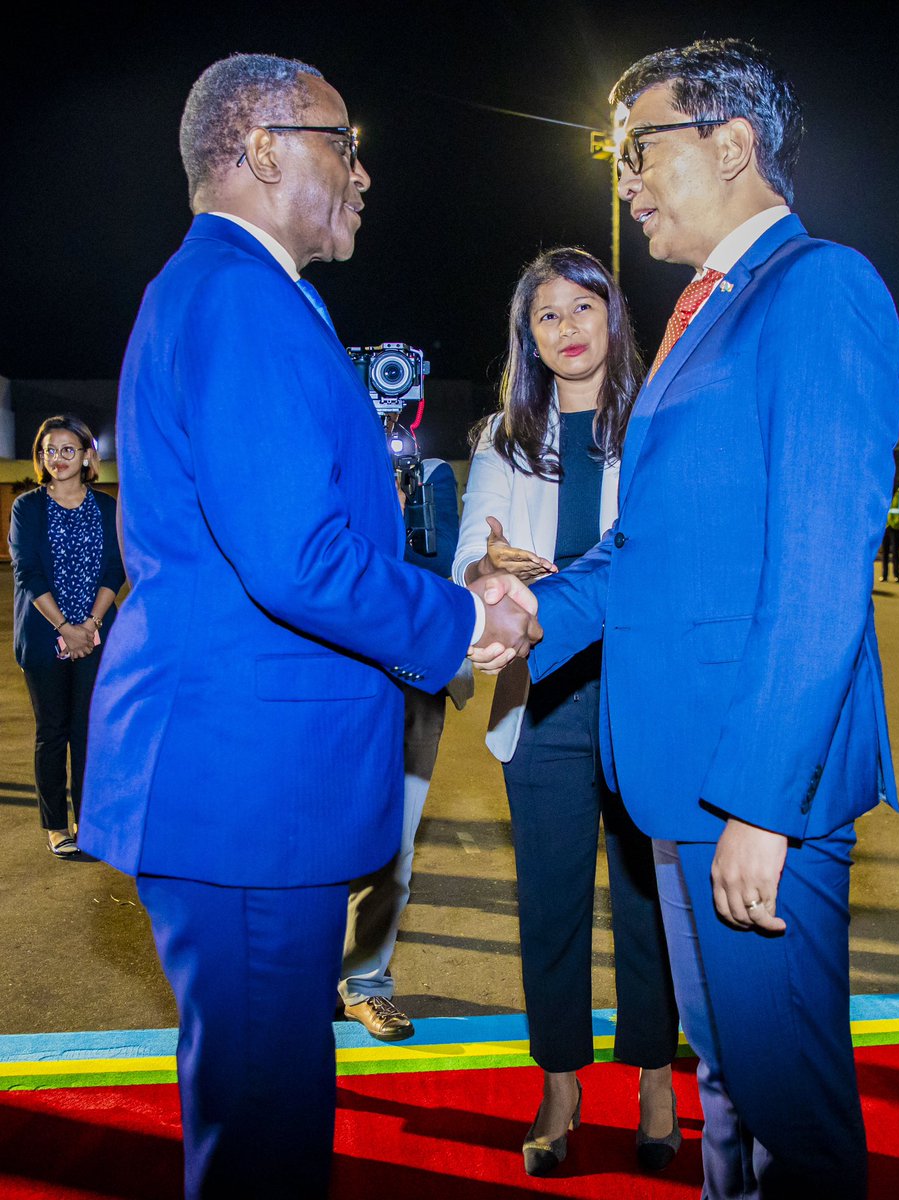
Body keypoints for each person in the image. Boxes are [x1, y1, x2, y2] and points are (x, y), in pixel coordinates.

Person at [79, 52, 538, 1200]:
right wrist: (456, 618)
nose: (365, 173)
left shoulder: (240, 291)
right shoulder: (240, 294)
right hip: (244, 792)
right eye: (345, 142)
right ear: (265, 147)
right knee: (265, 1137)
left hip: (245, 783)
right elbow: (296, 557)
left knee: (259, 1106)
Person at [527, 40, 899, 1200]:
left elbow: (820, 571)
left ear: (730, 146)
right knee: (731, 1083)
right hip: (684, 782)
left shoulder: (817, 288)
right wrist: (505, 613)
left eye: (638, 149)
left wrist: (759, 801)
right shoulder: (704, 312)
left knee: (794, 1116)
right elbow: (653, 554)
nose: (625, 178)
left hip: (747, 791)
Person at [453, 247, 680, 1176]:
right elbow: (473, 546)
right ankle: (559, 1080)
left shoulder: (661, 422)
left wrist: (573, 585)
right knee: (549, 901)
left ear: (613, 316)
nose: (568, 327)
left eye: (584, 306)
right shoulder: (503, 439)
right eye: (547, 316)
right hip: (541, 696)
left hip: (641, 691)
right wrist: (486, 568)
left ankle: (658, 1076)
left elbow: (663, 551)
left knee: (646, 903)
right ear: (529, 338)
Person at [340, 456, 474, 1040]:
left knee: (392, 847)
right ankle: (300, 983)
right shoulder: (321, 461)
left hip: (412, 685)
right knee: (310, 839)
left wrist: (395, 517)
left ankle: (365, 983)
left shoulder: (430, 473)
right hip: (331, 686)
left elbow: (441, 569)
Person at [8, 415, 124, 858]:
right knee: (53, 732)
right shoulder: (27, 508)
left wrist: (90, 625)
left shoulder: (108, 507)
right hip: (44, 638)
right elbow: (27, 573)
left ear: (88, 456)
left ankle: (89, 821)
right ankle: (56, 824)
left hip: (96, 637)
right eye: (48, 451)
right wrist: (64, 628)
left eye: (67, 450)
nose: (57, 458)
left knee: (89, 731)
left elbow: (116, 568)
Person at [880, 475, 899, 582]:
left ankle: (894, 575)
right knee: (886, 552)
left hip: (894, 526)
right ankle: (887, 575)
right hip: (887, 526)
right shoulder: (885, 494)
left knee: (893, 552)